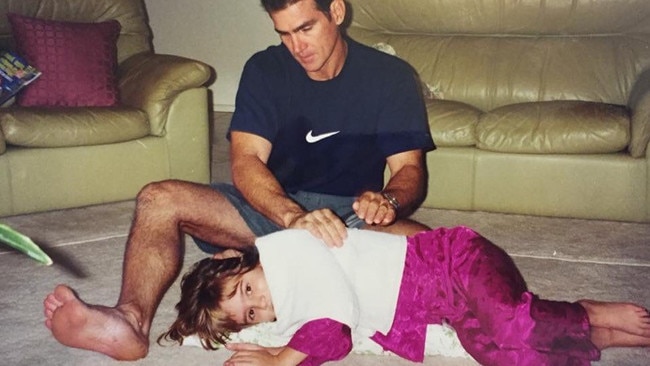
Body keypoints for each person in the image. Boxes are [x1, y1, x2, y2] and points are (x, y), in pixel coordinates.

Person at [42, 0, 434, 361]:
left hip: (349, 223)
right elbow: (246, 162)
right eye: (284, 33)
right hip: (271, 211)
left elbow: (409, 172)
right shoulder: (266, 70)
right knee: (158, 198)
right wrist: (292, 218)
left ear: (335, 11)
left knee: (440, 255)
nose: (297, 47)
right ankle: (128, 320)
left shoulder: (390, 77)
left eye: (306, 28)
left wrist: (389, 201)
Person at [159, 227, 650, 366]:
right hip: (452, 306)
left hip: (455, 260)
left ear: (240, 260)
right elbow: (334, 343)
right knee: (506, 355)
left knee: (509, 324)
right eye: (250, 313)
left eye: (248, 288)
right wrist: (271, 347)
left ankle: (587, 310)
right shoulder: (293, 313)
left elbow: (333, 321)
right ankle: (595, 337)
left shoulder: (289, 248)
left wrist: (280, 360)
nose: (260, 303)